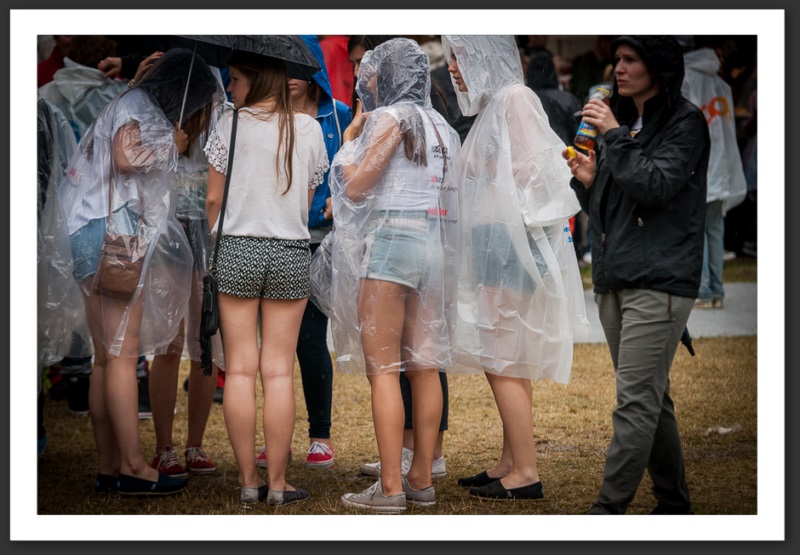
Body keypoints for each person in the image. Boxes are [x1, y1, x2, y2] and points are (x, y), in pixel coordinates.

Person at [52, 48, 220, 496]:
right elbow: (127, 158)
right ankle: (132, 466)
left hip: (90, 230)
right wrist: (174, 144)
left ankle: (109, 465)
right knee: (123, 357)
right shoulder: (141, 108)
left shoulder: (124, 101)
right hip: (117, 233)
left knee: (105, 358)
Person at [564, 35, 710, 514]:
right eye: (616, 61)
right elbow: (617, 206)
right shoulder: (625, 124)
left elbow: (656, 185)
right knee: (651, 397)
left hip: (661, 278)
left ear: (657, 67)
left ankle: (608, 511)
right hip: (616, 275)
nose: (618, 70)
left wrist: (610, 136)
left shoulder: (685, 122)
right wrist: (589, 184)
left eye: (630, 60)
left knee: (634, 402)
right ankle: (673, 503)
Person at [441, 35, 588, 501]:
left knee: (504, 355)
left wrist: (485, 169)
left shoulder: (515, 99)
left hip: (510, 245)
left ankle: (525, 471)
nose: (453, 69)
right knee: (502, 355)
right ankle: (511, 459)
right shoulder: (494, 105)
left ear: (484, 56)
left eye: (459, 58)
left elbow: (534, 169)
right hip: (496, 243)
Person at [329, 38, 461, 513]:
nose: (366, 83)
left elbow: (360, 187)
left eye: (370, 75)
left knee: (383, 369)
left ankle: (390, 487)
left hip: (391, 243)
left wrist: (347, 150)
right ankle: (421, 476)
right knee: (425, 365)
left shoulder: (392, 118)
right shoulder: (442, 125)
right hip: (433, 245)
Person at [204, 49, 328, 506]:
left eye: (235, 78)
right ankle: (278, 484)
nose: (231, 87)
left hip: (236, 245)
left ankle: (247, 481)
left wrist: (214, 246)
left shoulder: (229, 124)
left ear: (254, 79)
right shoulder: (310, 129)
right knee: (278, 372)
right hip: (291, 249)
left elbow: (213, 201)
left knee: (238, 368)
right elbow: (308, 197)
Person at [254, 35, 353, 471]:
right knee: (273, 349)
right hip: (278, 238)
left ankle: (320, 435)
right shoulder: (265, 116)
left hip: (323, 241)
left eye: (299, 69)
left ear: (315, 71)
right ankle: (277, 440)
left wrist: (339, 198)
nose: (290, 79)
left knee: (311, 341)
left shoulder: (341, 116)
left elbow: (354, 171)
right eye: (281, 69)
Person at [148, 65, 227, 479]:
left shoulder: (222, 121)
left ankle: (194, 444)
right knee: (167, 344)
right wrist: (171, 145)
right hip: (166, 239)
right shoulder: (157, 121)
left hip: (207, 242)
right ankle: (164, 447)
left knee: (204, 342)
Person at [681, 43, 747, 309]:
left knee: (699, 230)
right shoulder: (719, 83)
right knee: (715, 230)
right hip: (722, 166)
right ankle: (716, 289)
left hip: (700, 165)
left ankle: (705, 289)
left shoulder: (687, 77)